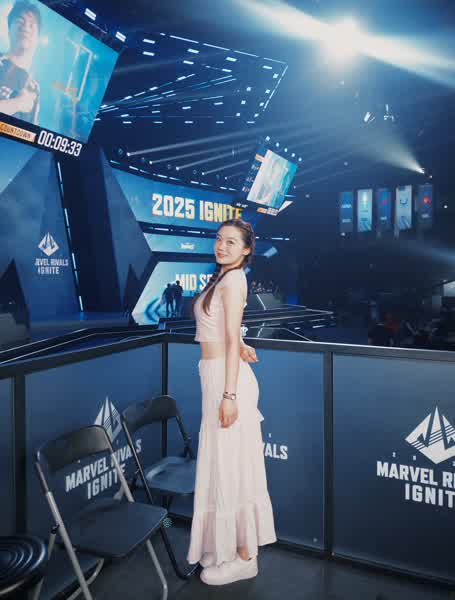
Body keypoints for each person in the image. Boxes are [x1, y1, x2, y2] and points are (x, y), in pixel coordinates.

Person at [187, 218, 276, 586]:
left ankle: (245, 557)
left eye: (231, 242)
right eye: (219, 239)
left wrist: (229, 396)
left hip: (228, 382)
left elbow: (227, 332)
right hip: (216, 373)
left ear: (246, 249)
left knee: (235, 468)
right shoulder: (223, 278)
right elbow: (227, 330)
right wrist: (240, 344)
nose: (221, 246)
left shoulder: (235, 279)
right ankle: (223, 546)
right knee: (222, 465)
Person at [0, 1, 41, 125]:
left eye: (32, 25)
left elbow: (33, 131)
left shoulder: (34, 87)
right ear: (9, 28)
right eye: (20, 21)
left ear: (37, 38)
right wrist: (16, 104)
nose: (26, 28)